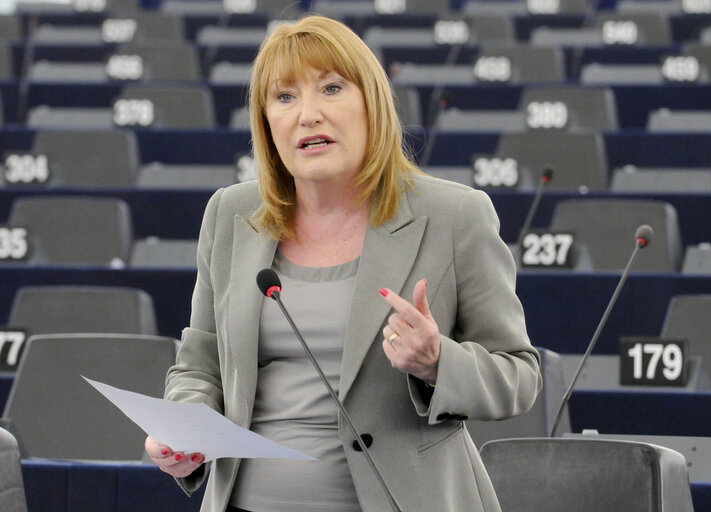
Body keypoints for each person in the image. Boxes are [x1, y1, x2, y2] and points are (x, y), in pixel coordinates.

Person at [144, 14, 542, 512]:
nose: (307, 115)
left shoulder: (455, 215)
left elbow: (519, 377)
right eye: (284, 97)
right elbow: (200, 366)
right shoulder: (231, 214)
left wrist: (437, 361)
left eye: (331, 88)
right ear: (267, 123)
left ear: (371, 104)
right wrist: (186, 429)